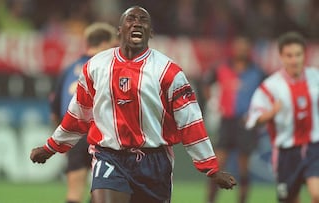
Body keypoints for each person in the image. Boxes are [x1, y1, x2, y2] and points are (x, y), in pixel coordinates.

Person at [31, 6, 237, 203]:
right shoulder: (95, 67)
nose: (137, 23)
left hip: (155, 162)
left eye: (143, 20)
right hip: (109, 156)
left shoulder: (169, 72)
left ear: (151, 32)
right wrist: (50, 147)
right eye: (131, 19)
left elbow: (190, 122)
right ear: (119, 31)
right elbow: (78, 116)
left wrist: (211, 168)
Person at [246, 31, 319, 203]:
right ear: (281, 56)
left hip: (314, 147)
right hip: (286, 152)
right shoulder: (271, 86)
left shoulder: (315, 77)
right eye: (289, 55)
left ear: (304, 55)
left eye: (298, 55)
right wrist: (271, 113)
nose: (294, 60)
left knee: (317, 194)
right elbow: (253, 118)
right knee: (289, 199)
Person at [50, 22, 117, 203]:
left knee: (74, 192)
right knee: (100, 192)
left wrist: (64, 138)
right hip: (101, 135)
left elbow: (55, 113)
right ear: (104, 44)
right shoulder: (107, 68)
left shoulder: (67, 70)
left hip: (75, 135)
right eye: (112, 45)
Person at [203, 35, 266, 203]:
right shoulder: (222, 68)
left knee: (243, 169)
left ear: (249, 50)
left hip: (245, 123)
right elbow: (207, 83)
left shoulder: (257, 72)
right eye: (239, 47)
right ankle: (210, 200)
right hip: (227, 121)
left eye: (245, 47)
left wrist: (257, 114)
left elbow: (268, 94)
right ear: (234, 49)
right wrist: (214, 104)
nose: (242, 50)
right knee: (216, 167)